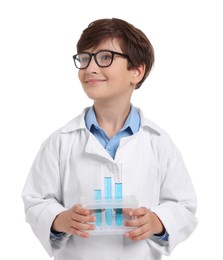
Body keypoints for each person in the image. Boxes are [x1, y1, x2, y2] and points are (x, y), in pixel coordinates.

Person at [22, 18, 198, 260]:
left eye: (105, 57)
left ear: (137, 71)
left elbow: (184, 207)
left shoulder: (159, 142)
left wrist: (157, 221)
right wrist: (60, 219)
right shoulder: (60, 142)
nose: (90, 68)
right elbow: (35, 201)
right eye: (85, 58)